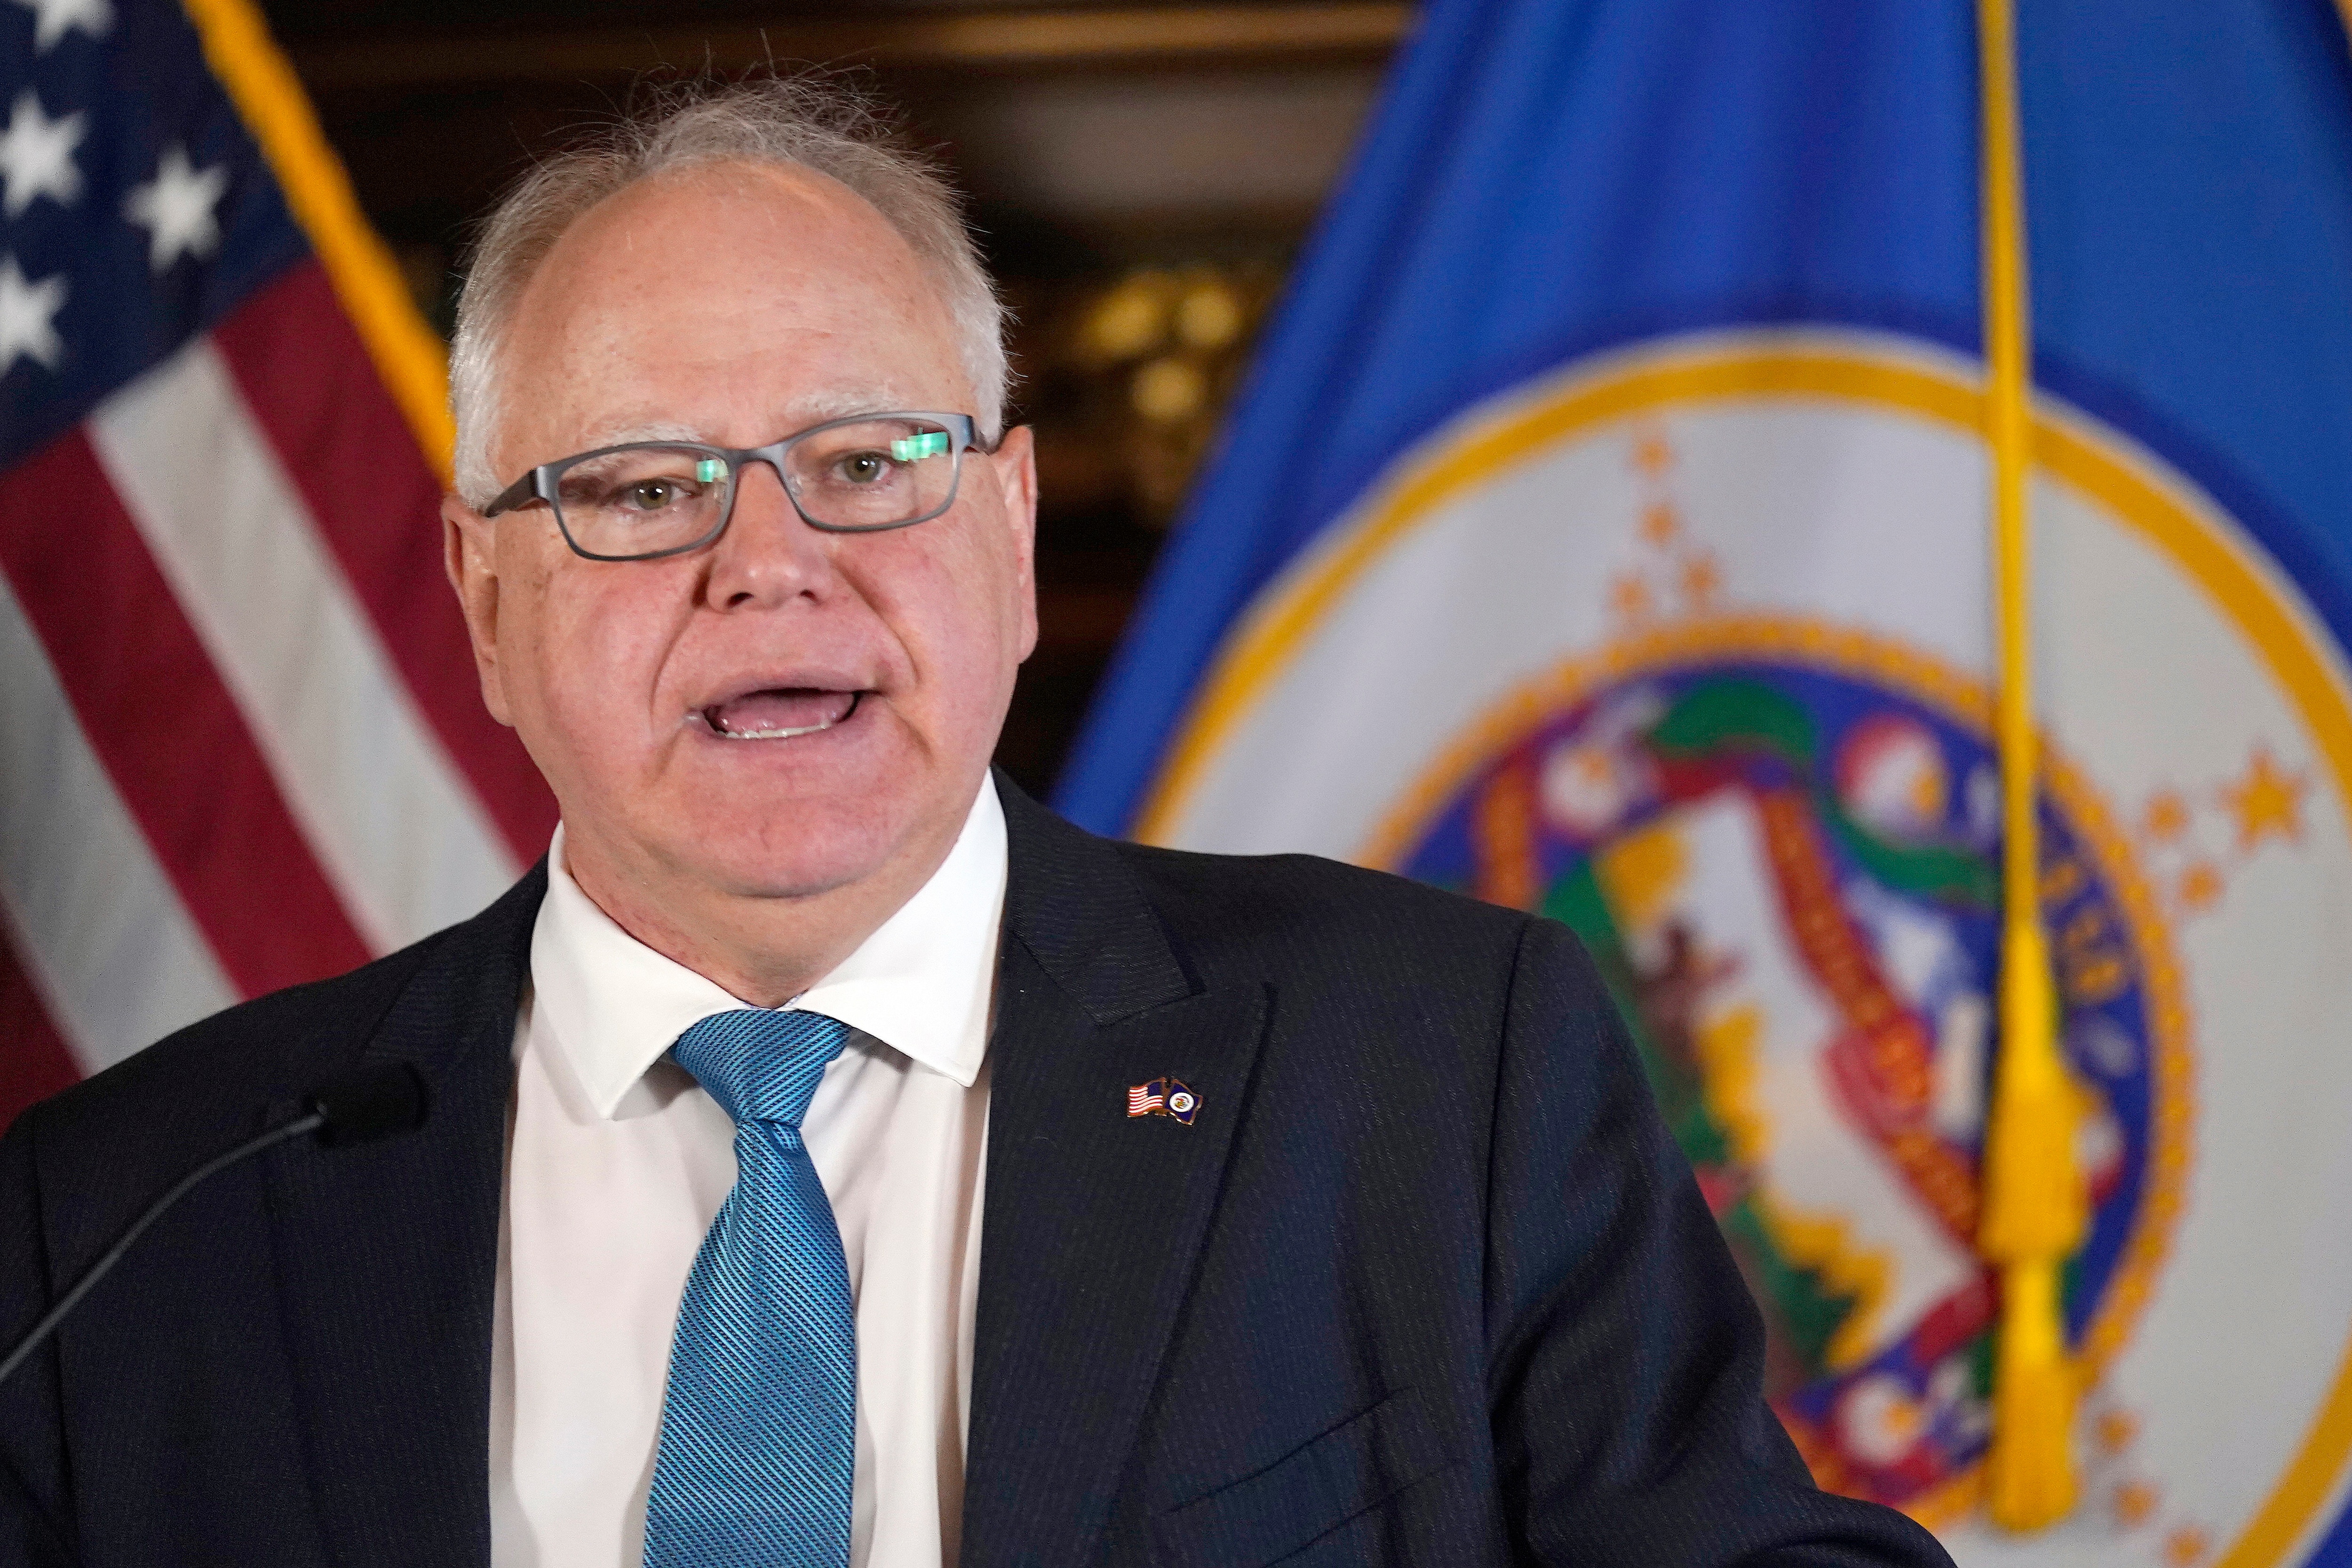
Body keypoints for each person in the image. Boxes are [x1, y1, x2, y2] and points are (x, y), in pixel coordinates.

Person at [0, 77, 1954, 1568]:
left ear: (1009, 538)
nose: (765, 567)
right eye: (639, 487)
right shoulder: (126, 1222)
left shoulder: (1435, 1071)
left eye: (864, 464)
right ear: (481, 598)